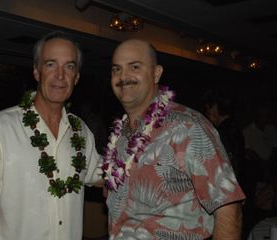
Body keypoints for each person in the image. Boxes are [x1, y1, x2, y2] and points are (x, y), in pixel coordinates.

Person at [0, 31, 102, 240]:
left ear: (77, 77)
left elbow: (106, 176)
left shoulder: (81, 131)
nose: (60, 75)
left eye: (69, 66)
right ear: (36, 72)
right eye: (50, 64)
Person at [102, 39, 245, 240]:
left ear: (156, 73)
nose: (123, 76)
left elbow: (228, 208)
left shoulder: (187, 126)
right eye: (116, 69)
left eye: (134, 66)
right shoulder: (120, 135)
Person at [203, 88, 245, 177]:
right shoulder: (236, 130)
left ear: (215, 107)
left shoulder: (219, 133)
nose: (206, 113)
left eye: (207, 108)